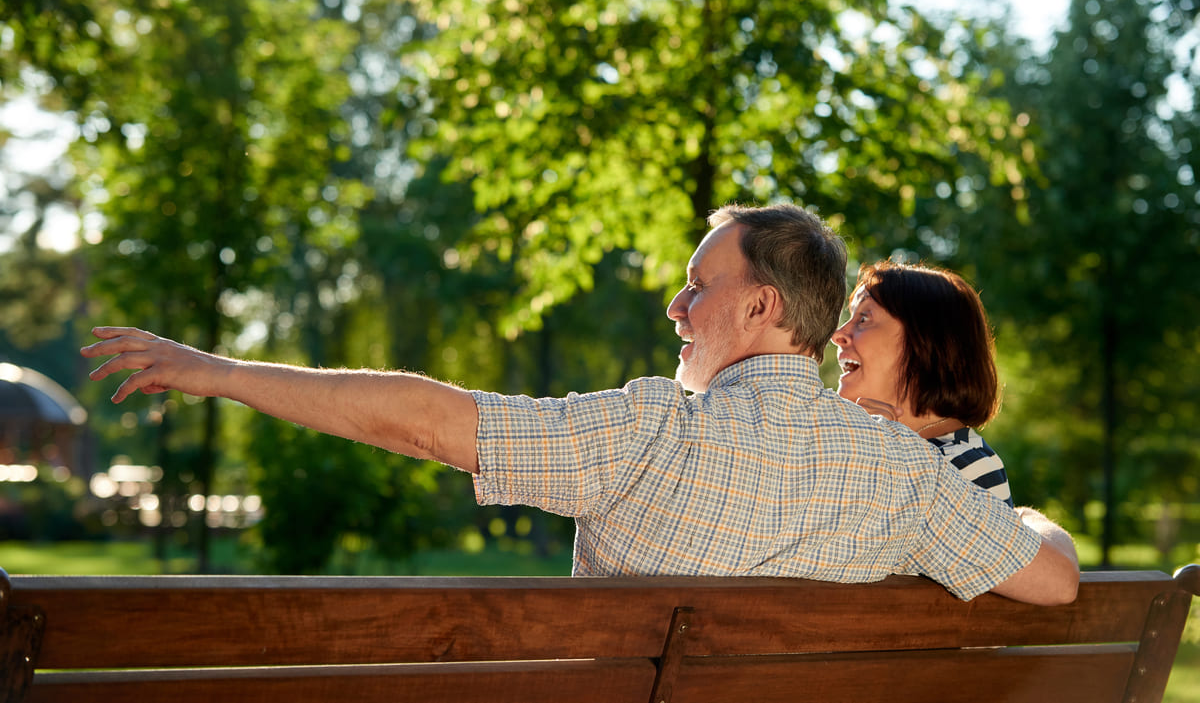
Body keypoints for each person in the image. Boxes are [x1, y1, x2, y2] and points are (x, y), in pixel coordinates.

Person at [81, 202, 1079, 605]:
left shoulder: (644, 428)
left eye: (699, 284)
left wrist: (218, 371)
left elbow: (424, 420)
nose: (676, 304)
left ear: (763, 306)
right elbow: (1056, 585)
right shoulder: (903, 470)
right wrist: (1031, 519)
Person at [831, 261, 1014, 505]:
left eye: (864, 318)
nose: (837, 335)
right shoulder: (886, 447)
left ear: (925, 343)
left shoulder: (965, 467)